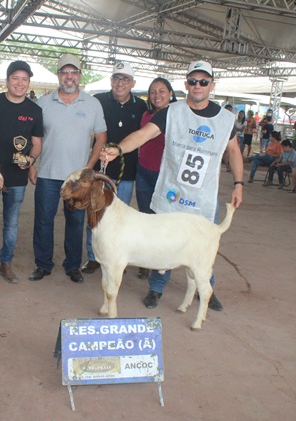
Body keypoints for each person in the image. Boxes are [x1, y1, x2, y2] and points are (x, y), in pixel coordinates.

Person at [101, 60, 244, 312]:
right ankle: (156, 288)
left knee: (202, 245)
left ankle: (205, 290)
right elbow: (144, 134)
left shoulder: (225, 120)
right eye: (192, 81)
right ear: (186, 84)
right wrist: (118, 149)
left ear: (212, 85)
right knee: (161, 244)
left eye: (203, 82)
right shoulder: (171, 112)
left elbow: (234, 151)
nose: (197, 86)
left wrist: (239, 184)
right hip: (171, 193)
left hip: (203, 196)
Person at [29, 53, 107, 283]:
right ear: (58, 75)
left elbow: (101, 138)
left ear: (80, 76)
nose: (69, 77)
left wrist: (88, 169)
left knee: (75, 222)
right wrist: (32, 165)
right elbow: (35, 138)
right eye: (65, 72)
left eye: (73, 72)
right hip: (47, 175)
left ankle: (72, 265)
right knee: (43, 220)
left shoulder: (92, 104)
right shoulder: (42, 103)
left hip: (78, 179)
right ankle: (43, 264)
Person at [0, 60, 43, 285]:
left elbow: (36, 143)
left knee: (11, 222)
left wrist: (31, 160)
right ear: (7, 81)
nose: (19, 83)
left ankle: (6, 263)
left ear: (29, 83)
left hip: (16, 177)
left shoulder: (35, 110)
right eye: (15, 78)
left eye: (24, 79)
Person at [81, 62, 147, 275]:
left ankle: (118, 256)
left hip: (125, 173)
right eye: (117, 78)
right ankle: (93, 257)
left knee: (120, 218)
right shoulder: (97, 101)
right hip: (99, 171)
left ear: (133, 83)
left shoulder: (141, 106)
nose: (121, 83)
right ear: (111, 81)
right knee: (94, 214)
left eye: (126, 79)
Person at [134, 77, 177, 279]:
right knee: (145, 219)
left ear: (170, 93)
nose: (157, 95)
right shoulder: (146, 114)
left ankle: (161, 264)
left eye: (161, 91)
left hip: (165, 176)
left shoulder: (178, 115)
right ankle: (146, 260)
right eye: (153, 91)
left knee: (163, 222)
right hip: (143, 171)